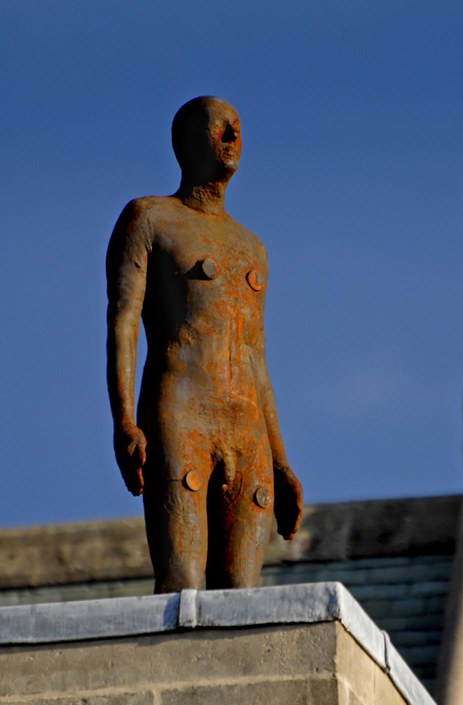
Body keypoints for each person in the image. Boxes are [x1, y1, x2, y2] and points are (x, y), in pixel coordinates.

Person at [106, 96, 303, 592]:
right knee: (182, 589)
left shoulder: (251, 247)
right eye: (221, 128)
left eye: (238, 128)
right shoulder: (150, 219)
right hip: (181, 414)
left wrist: (280, 460)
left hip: (247, 429)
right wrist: (125, 420)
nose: (234, 138)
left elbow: (257, 356)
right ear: (188, 141)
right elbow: (124, 321)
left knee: (242, 598)